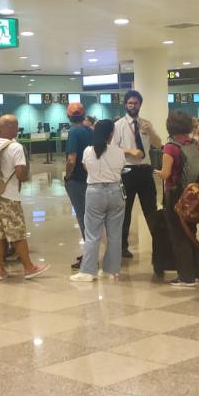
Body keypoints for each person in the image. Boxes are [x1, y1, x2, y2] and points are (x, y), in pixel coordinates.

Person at [0, 115, 48, 280]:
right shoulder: (16, 147)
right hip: (10, 196)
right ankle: (29, 268)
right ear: (8, 128)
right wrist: (26, 176)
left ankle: (0, 270)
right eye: (15, 126)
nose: (17, 129)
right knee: (17, 233)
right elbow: (20, 174)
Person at [160, 109, 199, 288]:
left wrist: (157, 172)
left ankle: (186, 276)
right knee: (191, 233)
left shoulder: (171, 147)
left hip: (176, 195)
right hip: (194, 194)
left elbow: (166, 173)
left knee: (179, 236)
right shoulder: (195, 144)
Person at [70, 119, 125, 282]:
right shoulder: (119, 151)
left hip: (95, 191)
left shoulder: (88, 151)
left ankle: (88, 271)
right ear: (111, 134)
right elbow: (120, 169)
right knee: (115, 234)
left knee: (92, 233)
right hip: (116, 191)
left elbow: (87, 169)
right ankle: (111, 270)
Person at [113, 90, 162, 259]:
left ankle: (160, 247)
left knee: (151, 210)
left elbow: (158, 144)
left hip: (145, 171)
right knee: (124, 211)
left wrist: (151, 132)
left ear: (140, 104)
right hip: (127, 172)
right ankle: (122, 247)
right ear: (125, 105)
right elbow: (112, 148)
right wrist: (130, 151)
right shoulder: (118, 125)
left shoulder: (145, 124)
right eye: (130, 103)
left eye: (136, 103)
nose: (133, 106)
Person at [62, 103, 94, 269]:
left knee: (82, 216)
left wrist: (67, 176)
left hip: (77, 180)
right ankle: (91, 251)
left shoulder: (74, 132)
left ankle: (89, 255)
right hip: (90, 178)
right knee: (90, 216)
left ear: (68, 116)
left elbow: (71, 159)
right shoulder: (90, 130)